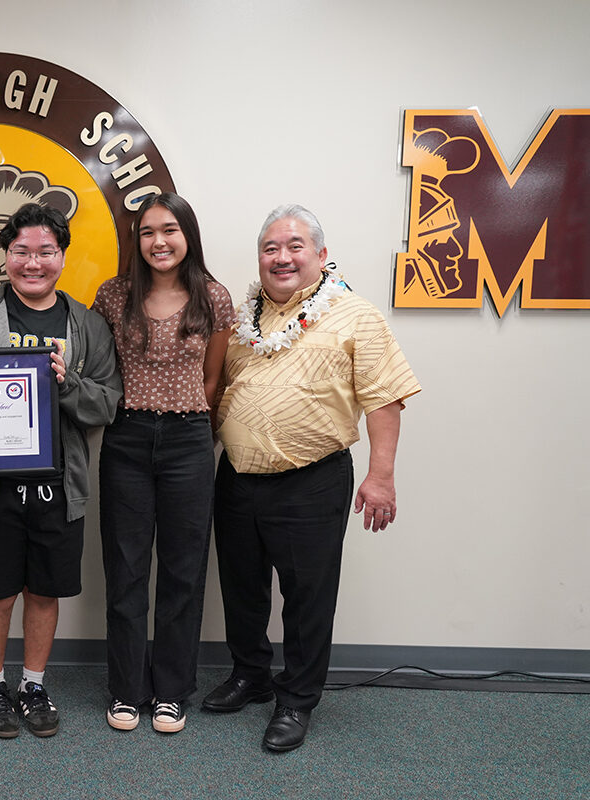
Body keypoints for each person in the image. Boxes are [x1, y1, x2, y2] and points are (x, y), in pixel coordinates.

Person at [205, 204, 421, 752]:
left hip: (312, 480)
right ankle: (250, 675)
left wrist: (382, 476)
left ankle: (296, 699)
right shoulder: (238, 318)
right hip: (237, 476)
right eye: (271, 248)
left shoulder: (355, 315)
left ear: (321, 255)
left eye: (295, 246)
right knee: (241, 587)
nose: (282, 257)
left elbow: (385, 398)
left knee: (307, 595)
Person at [0, 202, 122, 740]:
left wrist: (67, 382)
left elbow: (108, 404)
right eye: (22, 251)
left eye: (46, 251)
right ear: (7, 255)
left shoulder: (88, 324)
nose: (33, 262)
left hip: (59, 485)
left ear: (62, 257)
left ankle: (33, 683)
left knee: (45, 593)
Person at [91, 193, 235, 733]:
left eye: (169, 230)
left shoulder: (213, 297)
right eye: (148, 231)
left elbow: (214, 381)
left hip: (188, 441)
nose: (159, 241)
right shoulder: (113, 296)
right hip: (126, 439)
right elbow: (102, 371)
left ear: (188, 235)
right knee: (126, 569)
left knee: (183, 569)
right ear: (137, 241)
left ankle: (171, 690)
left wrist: (191, 426)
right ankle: (127, 689)